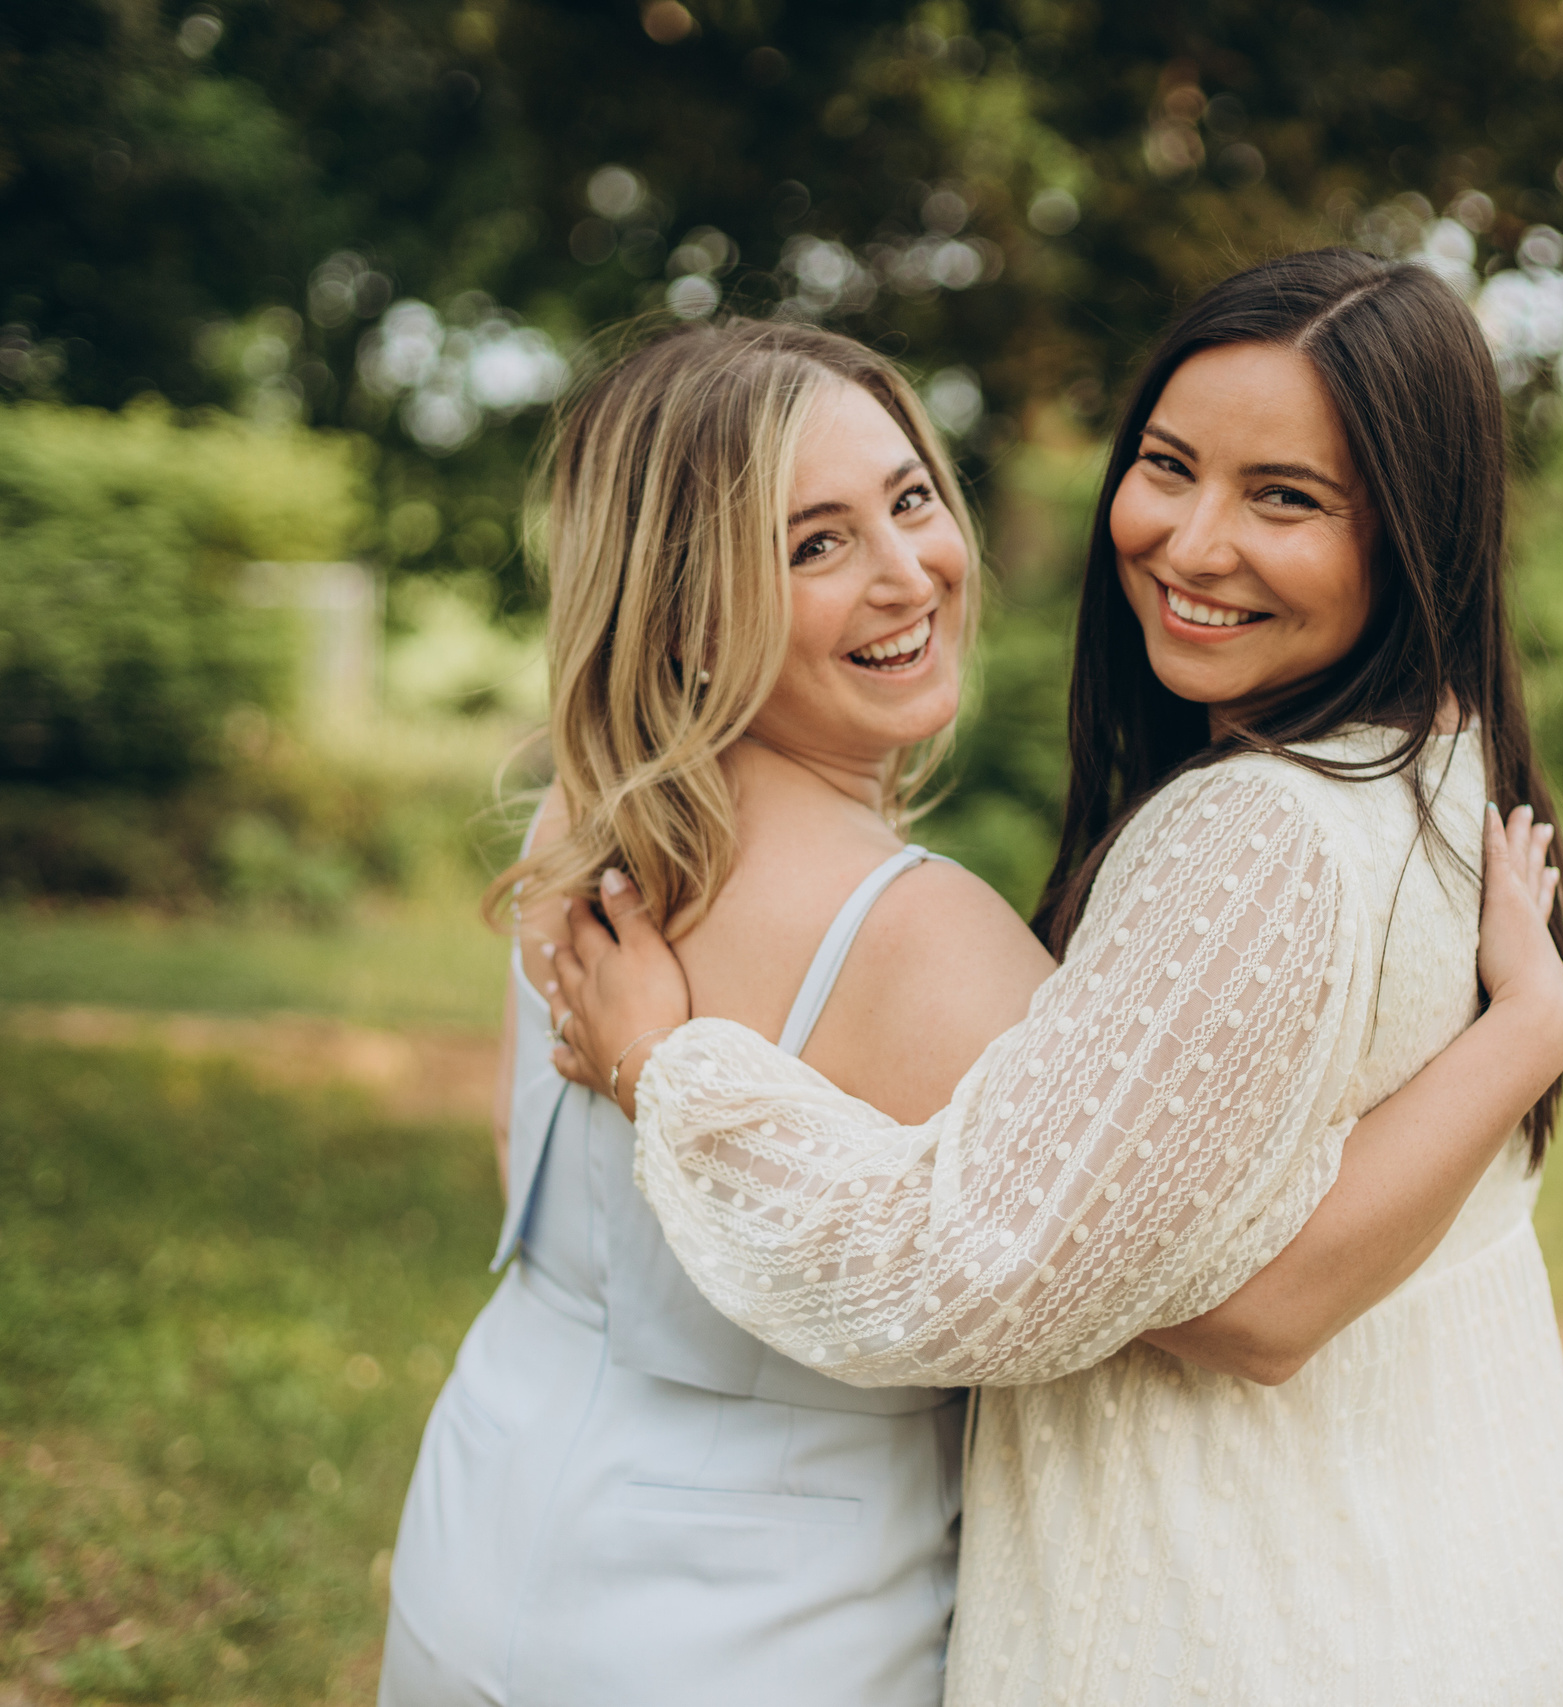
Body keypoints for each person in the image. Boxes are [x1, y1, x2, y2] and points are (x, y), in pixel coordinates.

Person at [546, 249, 1563, 1705]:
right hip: (1416, 1579)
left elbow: (994, 1267)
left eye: (1284, 498)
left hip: (1227, 1617)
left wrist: (669, 1072)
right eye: (1169, 466)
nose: (1192, 541)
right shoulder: (1433, 758)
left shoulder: (1258, 836)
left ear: (1413, 532)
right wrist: (1528, 1027)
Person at [376, 320, 1048, 1706]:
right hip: (771, 1624)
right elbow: (1148, 1304)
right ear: (687, 608)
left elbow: (537, 1181)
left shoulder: (582, 825)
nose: (906, 571)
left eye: (910, 500)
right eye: (815, 544)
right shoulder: (930, 939)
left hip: (482, 1528)